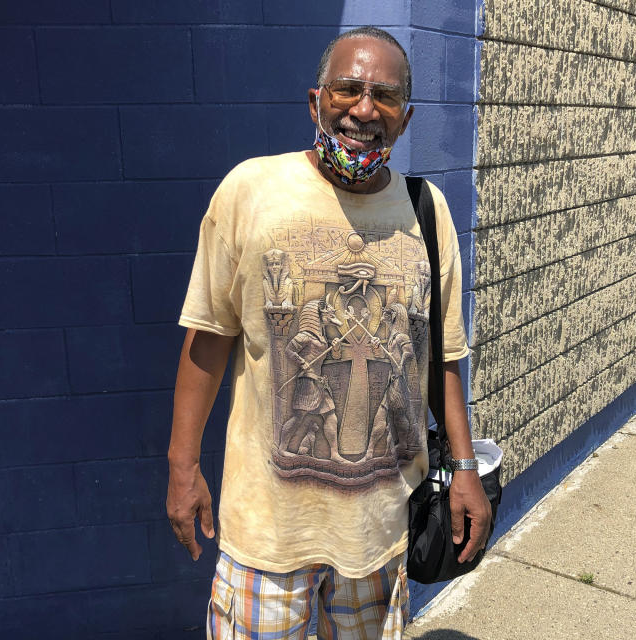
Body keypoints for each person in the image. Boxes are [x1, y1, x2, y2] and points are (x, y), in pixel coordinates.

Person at [166, 26, 491, 639]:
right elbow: (207, 338)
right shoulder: (251, 191)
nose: (364, 109)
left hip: (380, 529)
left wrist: (466, 467)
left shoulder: (427, 210)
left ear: (406, 117)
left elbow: (442, 357)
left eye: (385, 97)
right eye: (348, 89)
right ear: (315, 100)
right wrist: (183, 465)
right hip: (267, 530)